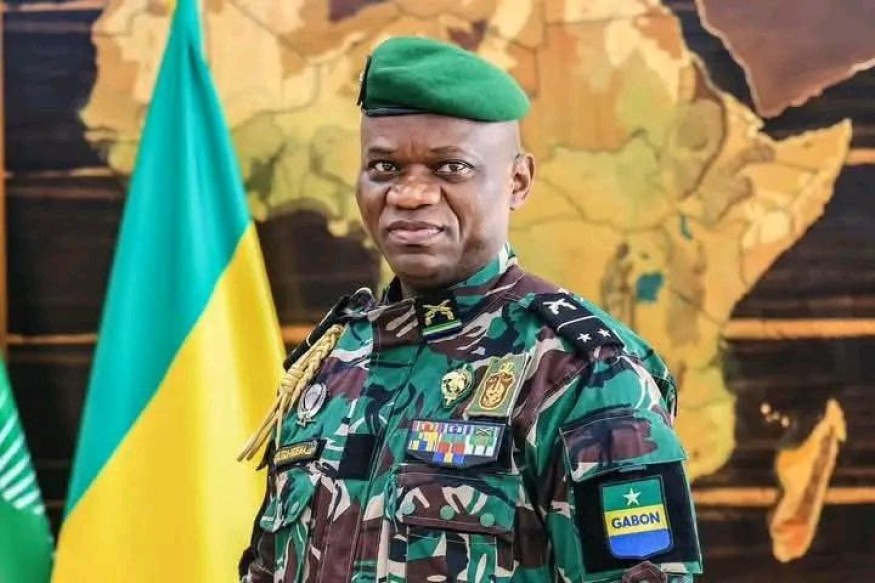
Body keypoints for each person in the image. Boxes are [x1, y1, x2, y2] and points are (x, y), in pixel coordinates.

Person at [238, 35, 703, 583]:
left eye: (450, 168)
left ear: (518, 181)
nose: (410, 194)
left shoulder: (580, 374)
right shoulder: (336, 361)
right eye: (385, 167)